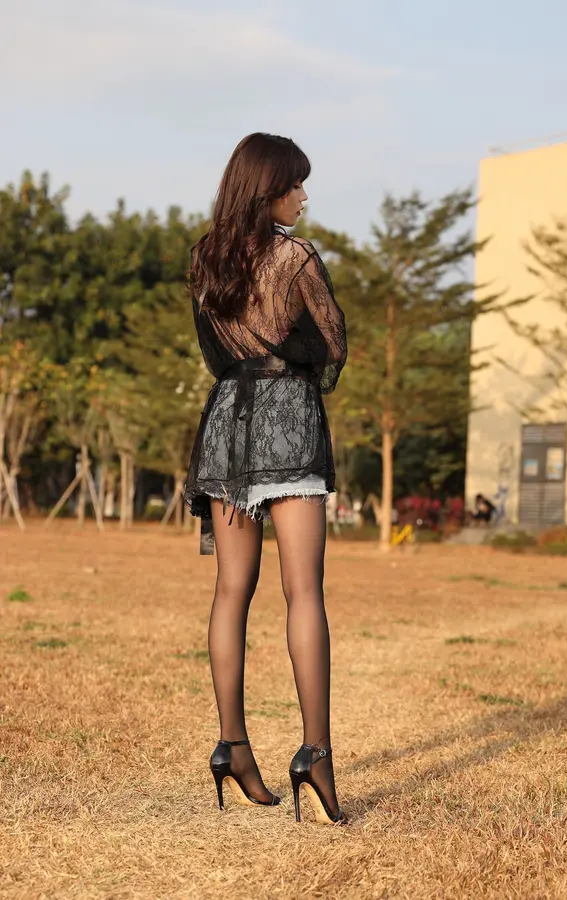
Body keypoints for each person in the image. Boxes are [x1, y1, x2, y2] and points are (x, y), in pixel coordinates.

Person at [184, 133, 348, 825]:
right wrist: (294, 351)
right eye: (295, 184)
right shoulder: (296, 257)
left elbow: (215, 355)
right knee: (303, 590)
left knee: (230, 592)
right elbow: (333, 344)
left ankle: (232, 745)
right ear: (268, 189)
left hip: (228, 425)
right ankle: (315, 754)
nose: (303, 196)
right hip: (287, 424)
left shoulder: (206, 259)